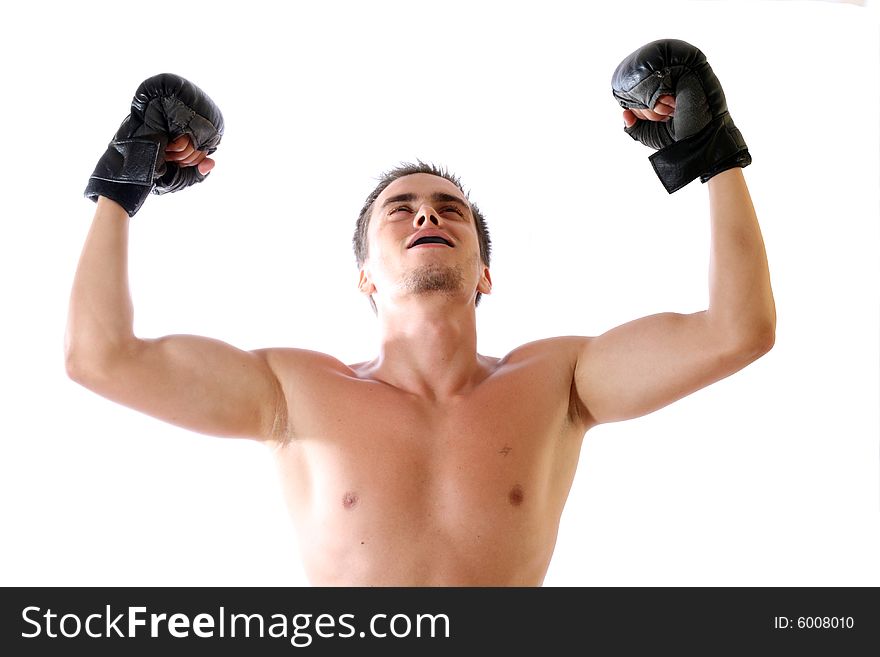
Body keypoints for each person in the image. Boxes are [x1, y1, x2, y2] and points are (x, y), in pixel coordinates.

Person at [65, 40, 775, 586]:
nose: (426, 212)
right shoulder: (292, 392)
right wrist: (122, 184)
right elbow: (100, 358)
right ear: (365, 277)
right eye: (399, 210)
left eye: (449, 210)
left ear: (485, 274)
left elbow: (736, 330)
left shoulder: (562, 381)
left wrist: (713, 158)